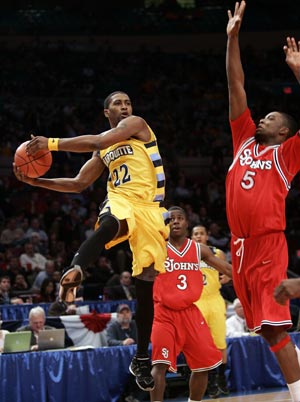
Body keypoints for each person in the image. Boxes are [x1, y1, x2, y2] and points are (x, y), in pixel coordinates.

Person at [13, 91, 169, 391]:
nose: (125, 107)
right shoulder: (104, 151)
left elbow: (97, 141)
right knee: (109, 222)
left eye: (127, 102)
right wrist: (36, 181)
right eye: (118, 104)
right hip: (122, 199)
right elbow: (78, 184)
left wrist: (51, 144)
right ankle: (75, 272)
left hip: (151, 209)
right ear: (106, 112)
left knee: (146, 282)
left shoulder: (137, 125)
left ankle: (140, 357)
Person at [225, 2, 300, 400]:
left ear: (284, 132)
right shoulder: (242, 140)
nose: (263, 119)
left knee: (275, 326)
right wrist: (232, 39)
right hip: (239, 248)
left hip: (268, 243)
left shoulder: (286, 155)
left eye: (271, 118)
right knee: (268, 331)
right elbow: (236, 86)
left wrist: (298, 72)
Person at [150, 206, 232, 402]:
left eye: (180, 218)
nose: (175, 221)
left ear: (187, 223)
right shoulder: (156, 247)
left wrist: (252, 281)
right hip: (164, 313)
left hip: (191, 312)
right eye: (171, 219)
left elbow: (229, 269)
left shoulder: (200, 249)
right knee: (159, 365)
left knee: (204, 366)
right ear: (165, 224)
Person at [191, 225, 229, 398]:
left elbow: (227, 273)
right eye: (195, 234)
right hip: (197, 302)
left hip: (214, 299)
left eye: (201, 234)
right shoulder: (186, 254)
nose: (198, 236)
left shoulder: (217, 253)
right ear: (191, 238)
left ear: (207, 236)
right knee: (203, 344)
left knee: (220, 343)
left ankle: (221, 379)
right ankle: (211, 382)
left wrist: (227, 276)